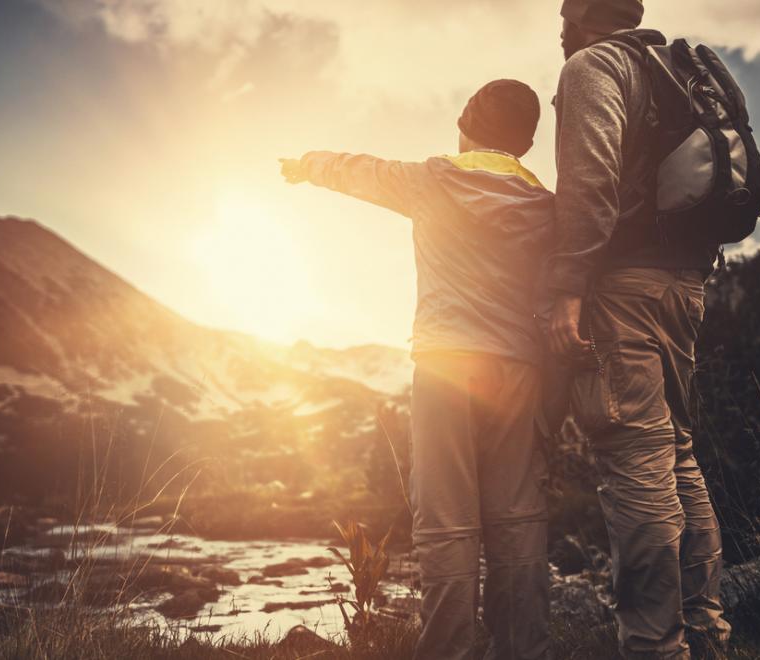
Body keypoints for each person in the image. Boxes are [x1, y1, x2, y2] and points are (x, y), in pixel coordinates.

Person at [280, 79, 553, 660]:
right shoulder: (545, 205)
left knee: (448, 523)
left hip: (448, 366)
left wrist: (308, 164)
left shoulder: (433, 180)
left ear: (465, 126)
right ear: (525, 144)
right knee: (517, 517)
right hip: (519, 371)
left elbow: (361, 170)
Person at [547, 1, 733, 658]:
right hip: (685, 284)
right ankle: (707, 637)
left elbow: (589, 182)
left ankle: (655, 648)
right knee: (678, 456)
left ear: (585, 17)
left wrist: (567, 289)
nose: (559, 26)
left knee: (635, 461)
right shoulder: (676, 69)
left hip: (622, 286)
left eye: (565, 14)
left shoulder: (596, 65)